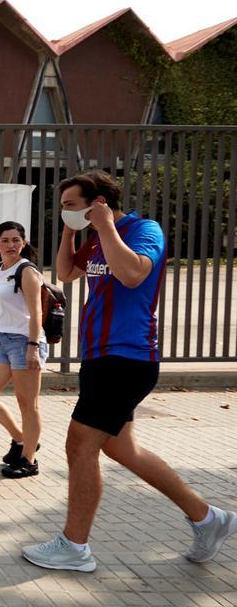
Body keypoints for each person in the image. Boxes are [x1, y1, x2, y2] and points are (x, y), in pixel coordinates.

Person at [22, 170, 236, 572]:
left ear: (99, 201)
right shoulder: (95, 240)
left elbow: (134, 273)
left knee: (79, 446)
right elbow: (67, 273)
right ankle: (208, 518)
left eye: (71, 206)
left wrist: (105, 228)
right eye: (63, 207)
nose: (66, 212)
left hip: (126, 358)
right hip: (102, 358)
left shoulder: (142, 230)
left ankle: (75, 546)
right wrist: (71, 233)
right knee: (122, 448)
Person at [0, 221, 46, 479]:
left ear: (23, 243)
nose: (11, 245)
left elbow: (37, 311)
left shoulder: (27, 271)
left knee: (28, 404)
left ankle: (29, 461)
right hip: (4, 342)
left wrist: (34, 347)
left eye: (16, 240)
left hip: (25, 341)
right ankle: (21, 440)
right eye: (5, 240)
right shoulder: (0, 270)